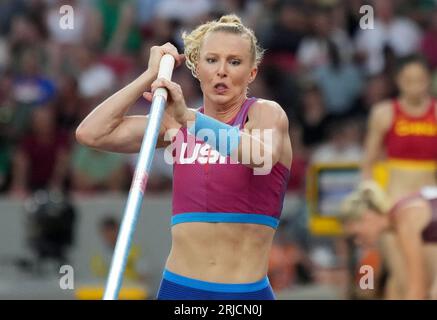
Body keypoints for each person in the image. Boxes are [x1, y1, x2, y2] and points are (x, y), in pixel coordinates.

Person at [76, 14, 292, 300]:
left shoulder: (265, 114)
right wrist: (149, 76)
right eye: (212, 60)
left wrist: (188, 119)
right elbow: (92, 133)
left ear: (252, 73)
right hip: (181, 290)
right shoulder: (176, 126)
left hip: (244, 295)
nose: (222, 71)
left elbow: (260, 155)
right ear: (196, 67)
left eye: (235, 62)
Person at [362, 55, 437, 299]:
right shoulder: (384, 113)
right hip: (393, 205)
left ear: (428, 81)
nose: (415, 86)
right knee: (404, 280)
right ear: (398, 81)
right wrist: (371, 205)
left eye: (420, 80)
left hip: (430, 208)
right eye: (408, 80)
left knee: (426, 284)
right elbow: (368, 163)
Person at [340, 181, 437, 300]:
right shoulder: (400, 210)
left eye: (357, 235)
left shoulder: (404, 221)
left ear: (367, 217)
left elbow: (418, 290)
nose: (358, 241)